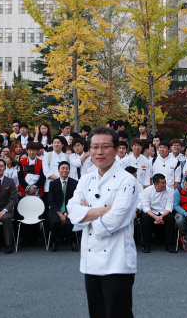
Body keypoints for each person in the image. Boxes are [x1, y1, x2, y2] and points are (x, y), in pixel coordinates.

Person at [67, 127, 139, 318]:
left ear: (116, 150)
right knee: (96, 313)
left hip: (118, 260)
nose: (99, 152)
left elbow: (115, 219)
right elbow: (72, 211)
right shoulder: (85, 178)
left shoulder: (127, 181)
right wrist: (101, 210)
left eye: (105, 147)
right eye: (95, 147)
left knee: (118, 314)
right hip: (90, 262)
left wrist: (87, 214)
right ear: (89, 149)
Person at [139, 174, 175, 253]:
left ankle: (169, 245)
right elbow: (145, 207)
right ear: (156, 184)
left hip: (163, 212)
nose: (165, 185)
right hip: (151, 212)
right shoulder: (147, 191)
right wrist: (155, 217)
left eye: (165, 182)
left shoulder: (169, 191)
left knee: (171, 218)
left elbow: (169, 206)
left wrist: (161, 216)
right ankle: (146, 245)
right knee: (145, 218)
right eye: (162, 183)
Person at [48, 161, 78, 252]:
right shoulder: (53, 184)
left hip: (70, 210)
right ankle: (53, 242)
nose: (65, 170)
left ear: (69, 170)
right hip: (56, 210)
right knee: (55, 221)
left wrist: (66, 212)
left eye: (67, 168)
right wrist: (60, 213)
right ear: (58, 170)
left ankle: (73, 242)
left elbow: (76, 200)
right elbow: (51, 201)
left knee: (70, 222)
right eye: (63, 168)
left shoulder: (75, 183)